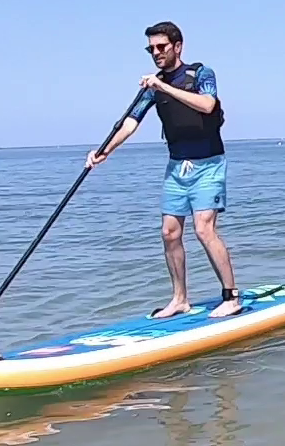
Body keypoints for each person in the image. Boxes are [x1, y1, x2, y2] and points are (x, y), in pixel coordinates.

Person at [87, 21, 241, 319]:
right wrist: (104, 151)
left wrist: (163, 86)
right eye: (151, 48)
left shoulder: (200, 73)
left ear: (177, 46)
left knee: (203, 229)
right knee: (169, 233)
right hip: (176, 167)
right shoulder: (153, 86)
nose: (156, 53)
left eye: (161, 47)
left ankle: (230, 296)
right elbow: (131, 122)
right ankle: (180, 299)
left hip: (209, 164)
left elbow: (208, 105)